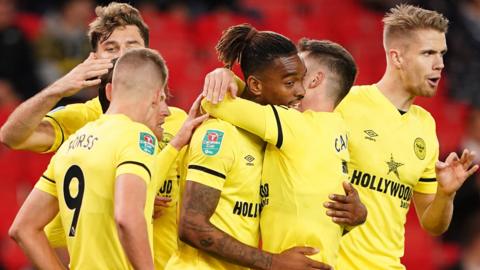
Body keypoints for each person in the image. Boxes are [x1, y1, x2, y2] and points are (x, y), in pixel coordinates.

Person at [0, 2, 186, 268]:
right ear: (94, 59)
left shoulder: (178, 121)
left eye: (131, 46)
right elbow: (11, 136)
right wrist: (58, 89)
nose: (122, 55)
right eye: (111, 49)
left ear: (148, 53)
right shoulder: (82, 121)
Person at [184, 24, 366, 268]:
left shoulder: (282, 137)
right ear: (257, 85)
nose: (300, 90)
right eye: (291, 82)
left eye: (301, 79)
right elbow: (190, 226)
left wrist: (354, 217)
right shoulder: (222, 133)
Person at [332, 5, 478, 269]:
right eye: (428, 53)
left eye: (442, 54)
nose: (440, 64)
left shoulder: (424, 125)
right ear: (397, 57)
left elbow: (432, 224)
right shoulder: (344, 103)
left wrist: (445, 194)